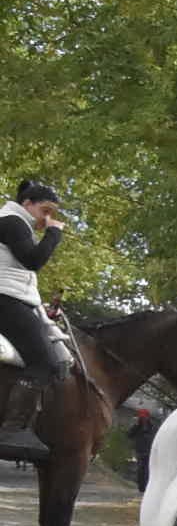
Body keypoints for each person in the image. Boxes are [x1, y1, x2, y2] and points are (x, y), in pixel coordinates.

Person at [0, 180, 71, 433]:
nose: (48, 217)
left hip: (13, 298)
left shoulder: (15, 223)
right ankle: (12, 431)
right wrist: (54, 233)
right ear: (27, 203)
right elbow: (33, 261)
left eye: (52, 214)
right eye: (45, 210)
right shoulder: (13, 221)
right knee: (45, 364)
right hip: (6, 300)